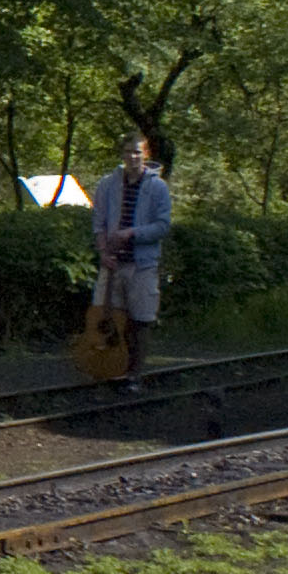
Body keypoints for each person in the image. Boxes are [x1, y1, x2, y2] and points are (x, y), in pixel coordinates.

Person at [89, 135, 173, 389]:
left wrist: (133, 233)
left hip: (141, 264)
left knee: (140, 319)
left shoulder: (157, 187)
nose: (132, 157)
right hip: (112, 263)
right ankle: (108, 368)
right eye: (128, 152)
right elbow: (99, 221)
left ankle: (133, 374)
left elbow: (162, 226)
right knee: (108, 316)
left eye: (137, 152)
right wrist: (103, 252)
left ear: (145, 154)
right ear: (122, 154)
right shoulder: (108, 184)